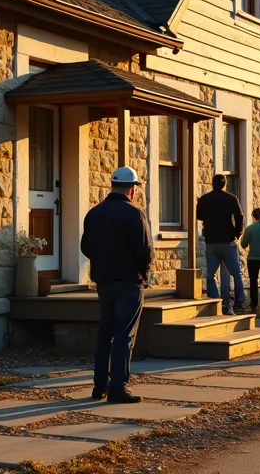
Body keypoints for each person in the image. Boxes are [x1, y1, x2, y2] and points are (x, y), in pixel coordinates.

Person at [80, 166, 154, 402]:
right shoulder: (135, 214)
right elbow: (146, 251)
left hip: (104, 281)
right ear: (132, 190)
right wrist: (143, 270)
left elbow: (85, 247)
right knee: (124, 335)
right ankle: (118, 388)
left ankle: (99, 385)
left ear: (111, 185)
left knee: (105, 332)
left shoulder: (94, 213)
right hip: (129, 281)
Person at [196, 174, 246, 315]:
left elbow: (199, 216)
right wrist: (237, 233)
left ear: (212, 183)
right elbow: (239, 216)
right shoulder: (231, 198)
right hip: (228, 241)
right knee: (236, 274)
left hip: (211, 241)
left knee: (210, 274)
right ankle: (238, 302)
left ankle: (215, 300)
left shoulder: (204, 199)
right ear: (224, 184)